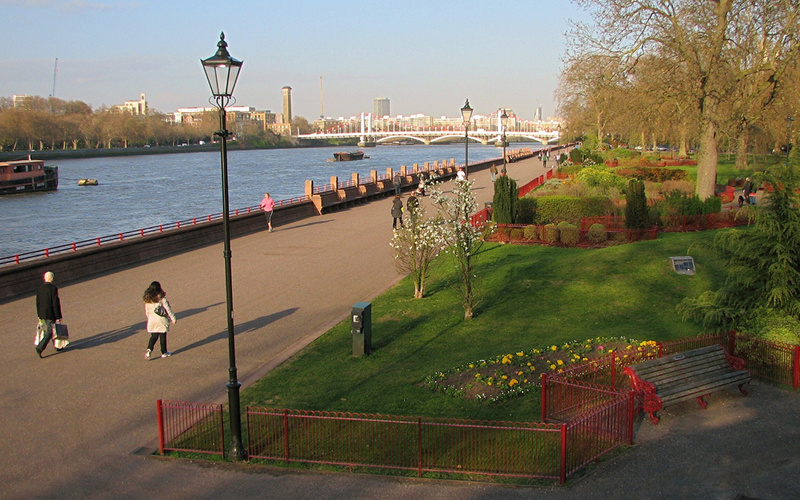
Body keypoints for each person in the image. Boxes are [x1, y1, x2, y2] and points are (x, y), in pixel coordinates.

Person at [143, 281, 177, 360]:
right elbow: (168, 309)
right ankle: (164, 352)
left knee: (154, 336)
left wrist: (149, 318)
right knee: (162, 336)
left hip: (152, 320)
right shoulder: (162, 299)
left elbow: (147, 312)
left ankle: (149, 350)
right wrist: (173, 318)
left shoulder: (148, 300)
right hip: (161, 320)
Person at [35, 271, 62, 358]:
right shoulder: (53, 288)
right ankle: (40, 347)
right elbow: (55, 303)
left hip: (43, 313)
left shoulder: (40, 288)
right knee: (51, 331)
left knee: (51, 329)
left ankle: (57, 345)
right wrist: (58, 316)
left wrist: (39, 314)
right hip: (51, 313)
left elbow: (38, 302)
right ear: (52, 278)